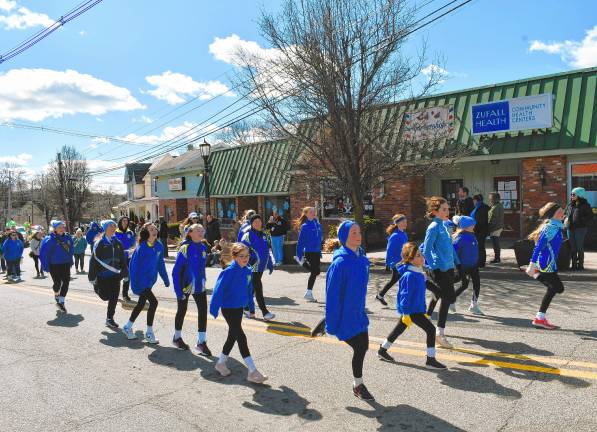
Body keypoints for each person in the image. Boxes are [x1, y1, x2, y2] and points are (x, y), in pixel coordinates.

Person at [377, 242, 447, 369]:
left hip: (417, 307)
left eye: (421, 255)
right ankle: (430, 360)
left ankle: (382, 350)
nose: (422, 258)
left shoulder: (419, 272)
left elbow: (428, 285)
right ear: (410, 259)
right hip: (412, 310)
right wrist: (406, 313)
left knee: (399, 329)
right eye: (418, 256)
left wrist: (439, 292)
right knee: (431, 330)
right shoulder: (409, 275)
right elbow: (405, 296)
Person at [325, 220, 373, 401]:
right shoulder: (340, 263)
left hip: (359, 313)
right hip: (344, 316)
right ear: (344, 237)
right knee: (360, 347)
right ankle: (358, 385)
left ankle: (357, 384)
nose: (358, 235)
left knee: (364, 346)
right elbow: (332, 295)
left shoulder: (362, 259)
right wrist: (331, 322)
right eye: (353, 233)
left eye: (359, 232)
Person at [209, 242, 267, 383]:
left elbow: (249, 291)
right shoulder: (228, 271)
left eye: (247, 255)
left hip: (239, 308)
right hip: (228, 308)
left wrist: (251, 308)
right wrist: (214, 308)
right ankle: (252, 371)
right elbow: (218, 290)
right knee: (240, 336)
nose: (245, 258)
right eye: (242, 256)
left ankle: (221, 363)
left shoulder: (247, 270)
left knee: (233, 336)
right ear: (234, 257)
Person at [123, 223, 170, 343]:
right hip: (140, 282)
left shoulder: (159, 246)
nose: (154, 230)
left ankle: (127, 326)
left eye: (155, 228)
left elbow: (160, 264)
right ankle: (149, 333)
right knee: (154, 303)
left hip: (149, 282)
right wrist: (135, 285)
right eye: (151, 229)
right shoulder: (141, 248)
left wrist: (165, 278)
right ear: (145, 233)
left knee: (141, 304)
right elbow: (133, 268)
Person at [423, 197, 459, 349]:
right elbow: (427, 249)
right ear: (434, 211)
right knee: (449, 297)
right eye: (443, 209)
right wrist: (434, 267)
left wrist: (458, 264)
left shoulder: (444, 225)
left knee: (445, 299)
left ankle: (439, 332)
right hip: (440, 269)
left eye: (447, 208)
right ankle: (425, 282)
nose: (447, 211)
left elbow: (450, 248)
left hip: (449, 267)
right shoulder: (433, 227)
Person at [171, 224, 211, 355]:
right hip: (185, 286)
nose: (201, 232)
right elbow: (176, 272)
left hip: (200, 286)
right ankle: (177, 337)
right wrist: (178, 290)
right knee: (182, 310)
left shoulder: (204, 247)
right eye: (198, 230)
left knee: (203, 312)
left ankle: (201, 342)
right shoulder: (185, 248)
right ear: (190, 233)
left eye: (202, 230)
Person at [526, 202, 566, 329]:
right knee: (557, 288)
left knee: (553, 288)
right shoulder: (549, 228)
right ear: (553, 214)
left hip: (550, 263)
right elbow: (538, 247)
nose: (563, 212)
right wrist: (532, 264)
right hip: (546, 263)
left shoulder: (556, 226)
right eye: (560, 211)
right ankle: (539, 318)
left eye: (562, 210)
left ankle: (540, 318)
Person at [88, 220, 128, 329]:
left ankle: (109, 318)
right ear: (105, 228)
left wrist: (125, 274)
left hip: (116, 276)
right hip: (103, 276)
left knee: (114, 297)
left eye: (114, 226)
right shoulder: (99, 243)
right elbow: (93, 260)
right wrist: (92, 277)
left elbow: (122, 260)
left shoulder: (118, 243)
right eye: (110, 226)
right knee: (105, 297)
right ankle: (97, 287)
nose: (113, 227)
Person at [241, 214, 275, 321]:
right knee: (258, 288)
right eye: (255, 222)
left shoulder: (264, 234)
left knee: (252, 287)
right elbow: (241, 251)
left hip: (261, 267)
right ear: (251, 223)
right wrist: (248, 262)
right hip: (252, 267)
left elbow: (266, 251)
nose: (258, 223)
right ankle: (265, 312)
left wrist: (269, 263)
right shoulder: (247, 235)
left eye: (259, 221)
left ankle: (245, 306)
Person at [40, 220, 74, 313]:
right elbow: (44, 254)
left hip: (65, 263)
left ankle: (61, 302)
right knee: (57, 283)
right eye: (59, 227)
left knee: (66, 282)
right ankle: (56, 294)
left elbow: (71, 250)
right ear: (55, 229)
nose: (62, 229)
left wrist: (70, 260)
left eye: (63, 227)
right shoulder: (49, 239)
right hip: (54, 265)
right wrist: (45, 266)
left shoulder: (68, 237)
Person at [453, 216, 484, 315]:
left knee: (477, 284)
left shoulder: (472, 235)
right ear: (465, 227)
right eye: (472, 225)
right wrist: (455, 265)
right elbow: (454, 252)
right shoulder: (460, 238)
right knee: (462, 284)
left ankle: (473, 305)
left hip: (474, 266)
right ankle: (450, 299)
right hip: (463, 266)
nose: (474, 226)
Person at [376, 214, 408, 305]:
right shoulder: (395, 236)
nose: (406, 223)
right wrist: (389, 264)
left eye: (406, 221)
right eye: (403, 222)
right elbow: (389, 251)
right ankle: (403, 303)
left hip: (404, 262)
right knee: (404, 281)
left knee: (394, 281)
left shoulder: (404, 234)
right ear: (397, 223)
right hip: (397, 263)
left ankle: (380, 295)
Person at [294, 207, 322, 302]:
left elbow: (318, 239)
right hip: (309, 252)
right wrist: (299, 254)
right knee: (314, 272)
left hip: (317, 251)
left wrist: (320, 252)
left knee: (317, 272)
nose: (314, 213)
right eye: (311, 212)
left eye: (314, 211)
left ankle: (302, 263)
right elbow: (300, 241)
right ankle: (308, 293)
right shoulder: (305, 226)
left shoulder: (317, 224)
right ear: (306, 214)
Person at [565, 187, 593, 270]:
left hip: (580, 229)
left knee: (579, 246)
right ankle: (573, 265)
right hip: (570, 228)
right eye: (571, 194)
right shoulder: (570, 205)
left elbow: (590, 217)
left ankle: (580, 265)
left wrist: (581, 221)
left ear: (579, 195)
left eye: (573, 194)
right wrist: (565, 219)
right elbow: (566, 214)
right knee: (573, 247)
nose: (571, 196)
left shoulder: (585, 205)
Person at [114, 216, 136, 302]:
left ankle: (125, 295)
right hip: (118, 258)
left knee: (127, 276)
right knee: (117, 276)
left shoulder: (130, 232)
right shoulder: (115, 233)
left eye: (126, 221)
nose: (125, 222)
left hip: (128, 258)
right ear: (120, 222)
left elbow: (133, 245)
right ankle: (114, 293)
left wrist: (132, 250)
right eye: (123, 221)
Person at [471, 194, 490, 268]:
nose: (473, 201)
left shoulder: (482, 208)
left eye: (474, 200)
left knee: (480, 246)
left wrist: (474, 228)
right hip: (478, 230)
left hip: (480, 230)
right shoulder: (478, 207)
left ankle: (481, 262)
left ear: (476, 200)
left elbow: (481, 221)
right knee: (479, 246)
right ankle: (480, 261)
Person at [488, 192, 504, 264]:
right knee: (496, 243)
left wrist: (489, 227)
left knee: (495, 243)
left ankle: (497, 258)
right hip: (498, 226)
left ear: (494, 198)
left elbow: (493, 219)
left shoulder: (495, 207)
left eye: (490, 198)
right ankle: (497, 258)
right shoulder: (498, 205)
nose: (489, 199)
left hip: (495, 227)